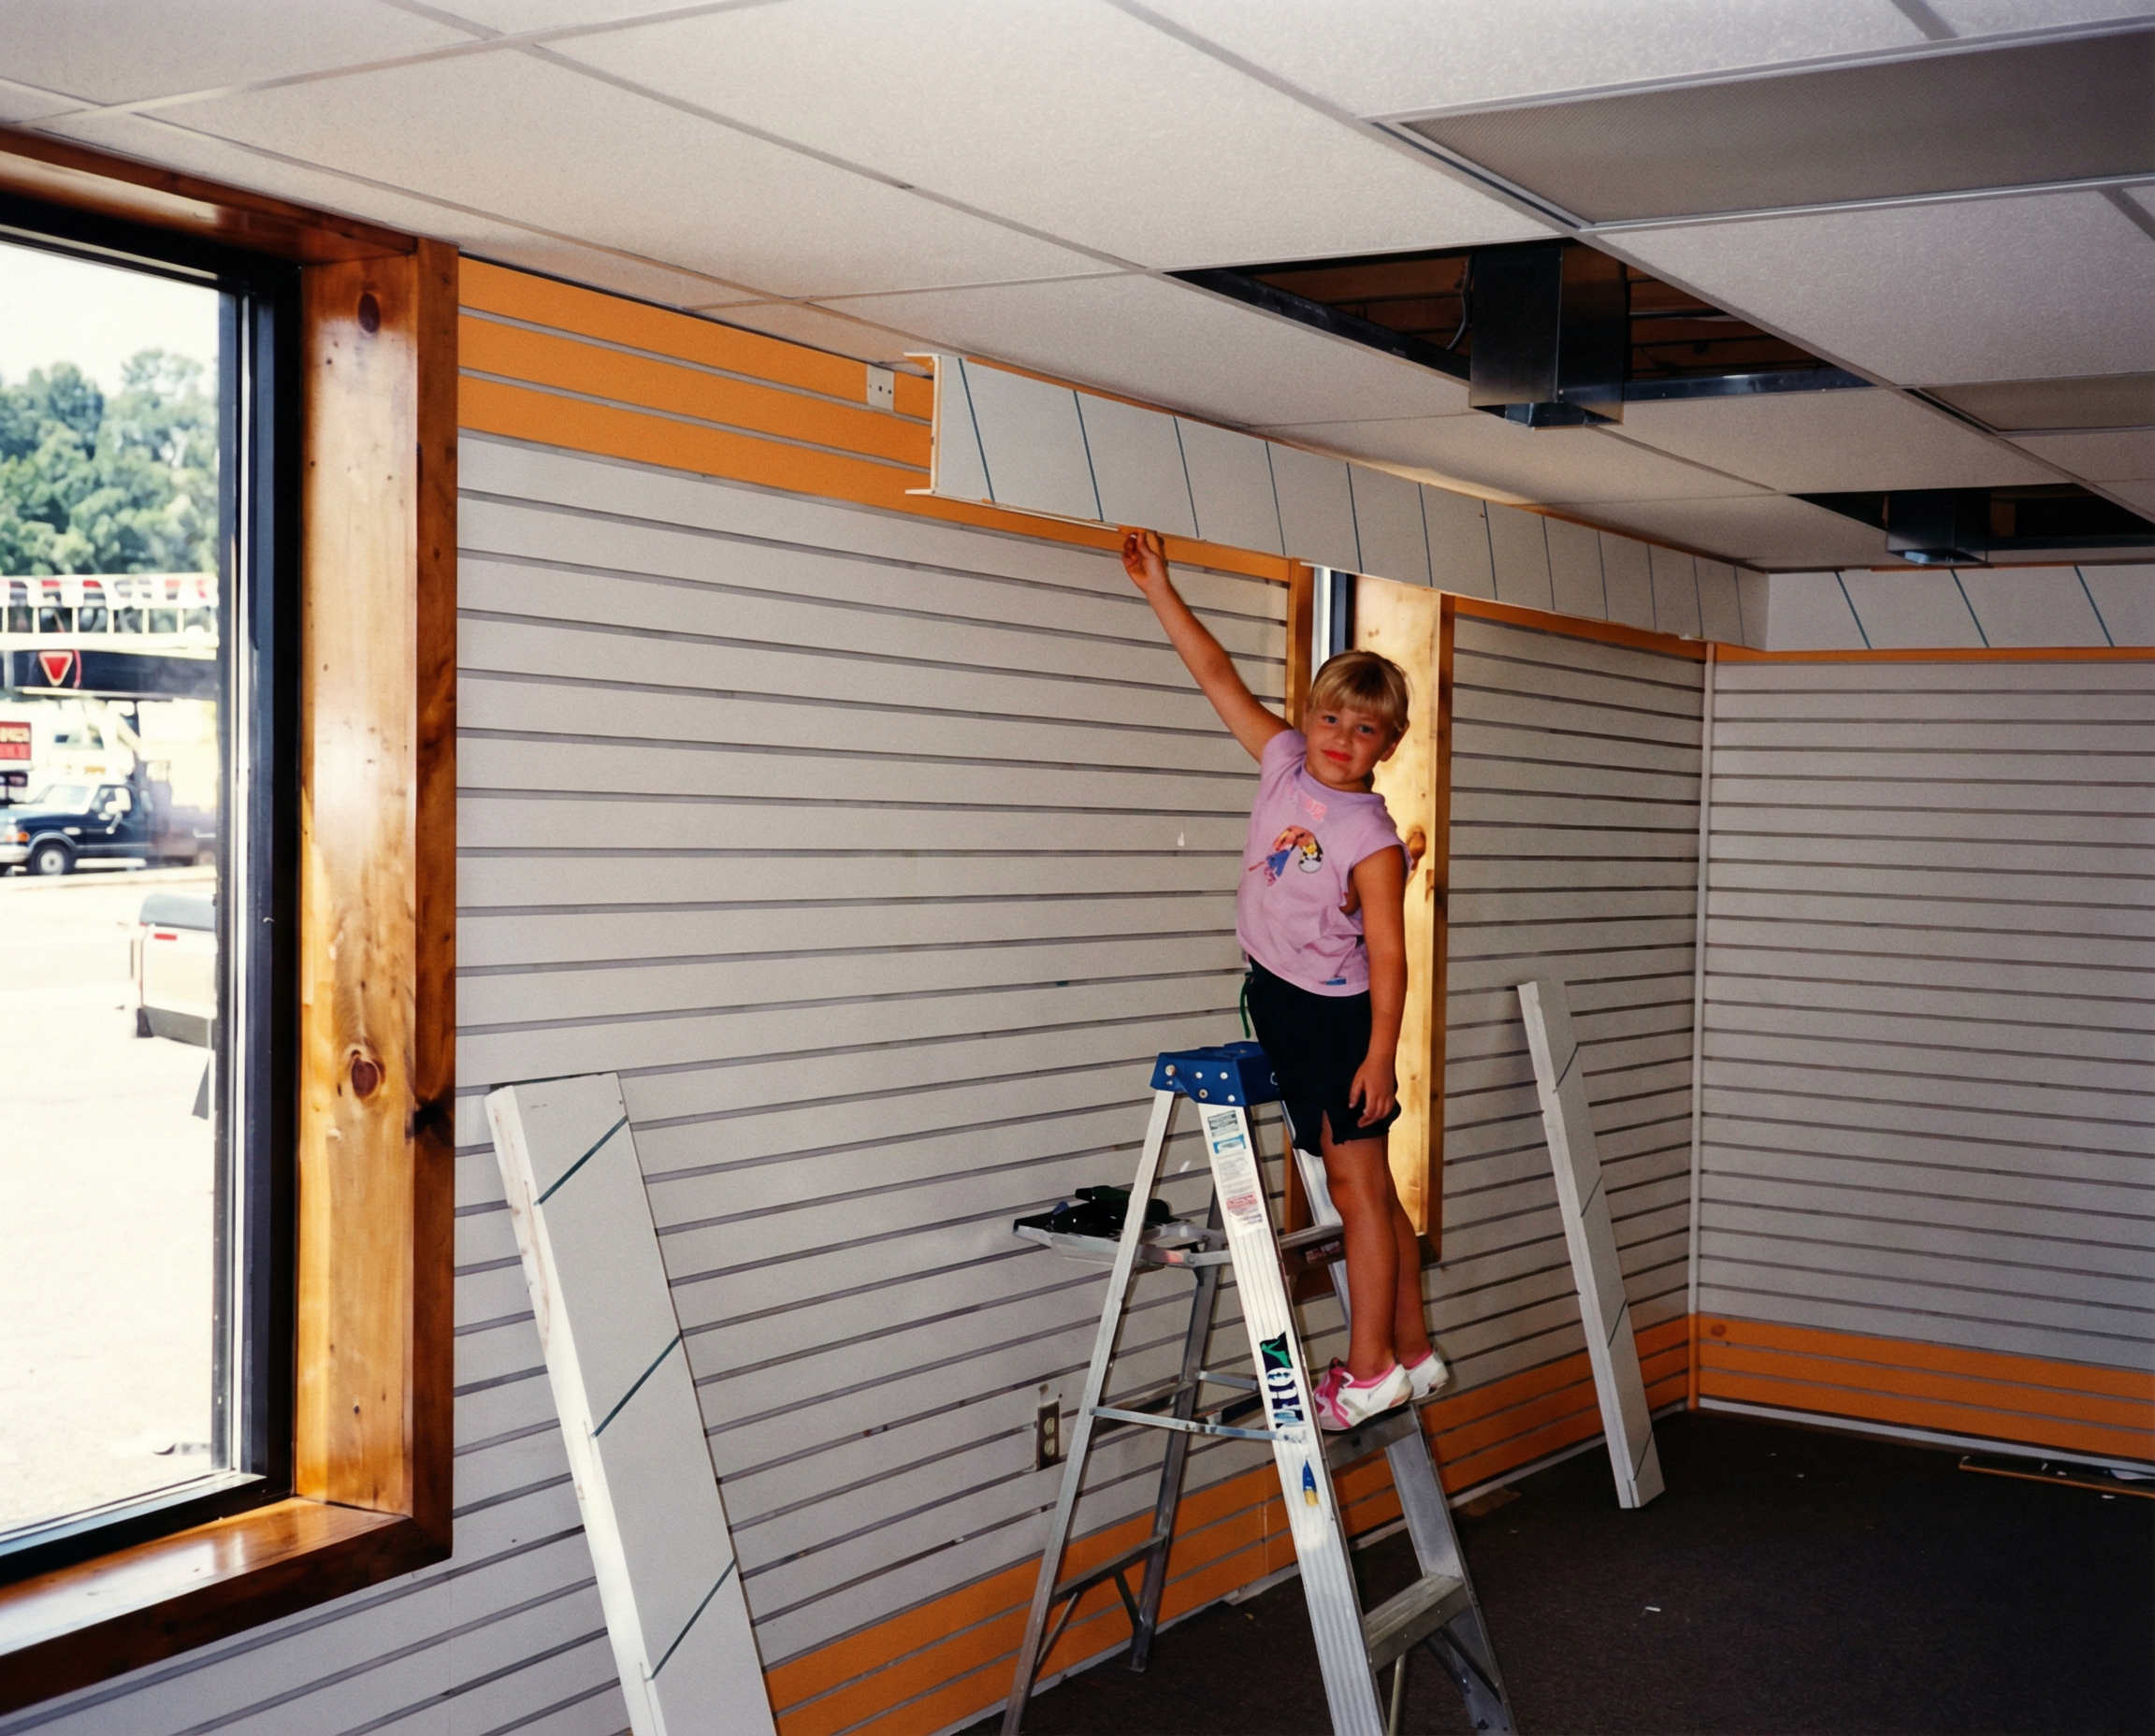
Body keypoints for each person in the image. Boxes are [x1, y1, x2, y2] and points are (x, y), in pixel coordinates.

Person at [1121, 528, 1448, 1431]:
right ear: (1310, 717)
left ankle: (1371, 1366)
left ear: (1390, 743)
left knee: (1355, 1195)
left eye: (1366, 729)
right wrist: (1159, 588)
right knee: (1371, 1193)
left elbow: (1391, 957)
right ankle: (1414, 1352)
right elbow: (1219, 675)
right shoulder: (1281, 763)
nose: (1342, 739)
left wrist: (1381, 1058)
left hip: (1334, 1023)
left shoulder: (1370, 840)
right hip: (1285, 1001)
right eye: (1331, 718)